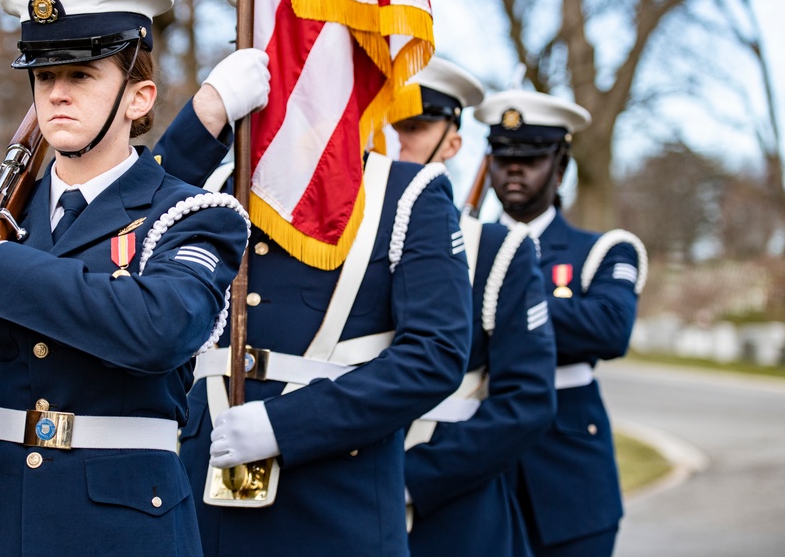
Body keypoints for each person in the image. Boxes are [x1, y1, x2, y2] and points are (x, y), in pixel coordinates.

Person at [0, 0, 253, 556]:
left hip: (122, 532)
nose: (56, 93)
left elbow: (158, 328)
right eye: (44, 75)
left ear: (138, 98)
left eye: (81, 73)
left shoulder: (195, 215)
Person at [153, 50, 474, 555]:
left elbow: (434, 356)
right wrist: (208, 112)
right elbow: (130, 216)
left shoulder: (406, 193)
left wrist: (286, 424)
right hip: (202, 500)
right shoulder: (216, 187)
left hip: (336, 508)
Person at [393, 58, 557, 557]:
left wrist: (409, 480)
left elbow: (525, 401)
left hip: (451, 505)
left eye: (415, 128)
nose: (395, 142)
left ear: (451, 143)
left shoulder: (495, 250)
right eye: (384, 123)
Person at [474, 90, 648, 557]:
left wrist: (496, 300)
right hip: (475, 454)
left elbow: (609, 328)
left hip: (567, 468)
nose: (514, 169)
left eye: (531, 158)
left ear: (561, 165)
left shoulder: (605, 250)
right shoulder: (462, 244)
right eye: (503, 157)